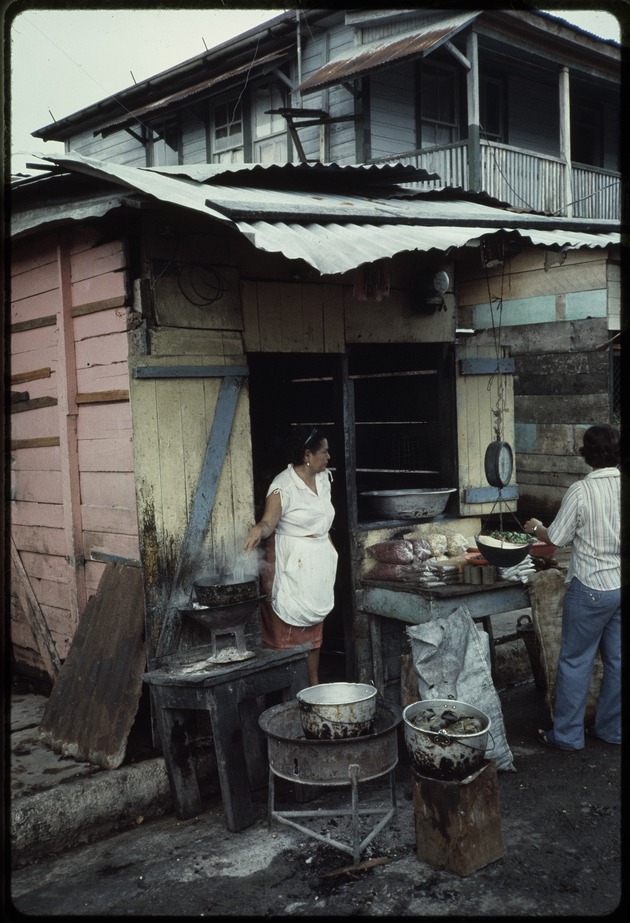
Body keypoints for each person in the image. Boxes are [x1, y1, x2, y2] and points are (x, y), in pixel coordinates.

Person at [523, 423, 621, 751]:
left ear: (586, 454)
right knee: (618, 661)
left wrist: (538, 527)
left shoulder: (582, 490)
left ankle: (567, 735)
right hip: (621, 585)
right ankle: (610, 729)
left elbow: (558, 538)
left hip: (591, 585)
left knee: (575, 661)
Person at [243, 425, 338, 686]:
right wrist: (257, 530)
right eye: (324, 452)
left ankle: (314, 686)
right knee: (288, 630)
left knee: (314, 628)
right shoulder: (282, 486)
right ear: (308, 454)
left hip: (317, 564)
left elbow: (324, 521)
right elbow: (269, 522)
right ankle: (287, 692)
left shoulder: (323, 479)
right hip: (290, 564)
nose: (328, 457)